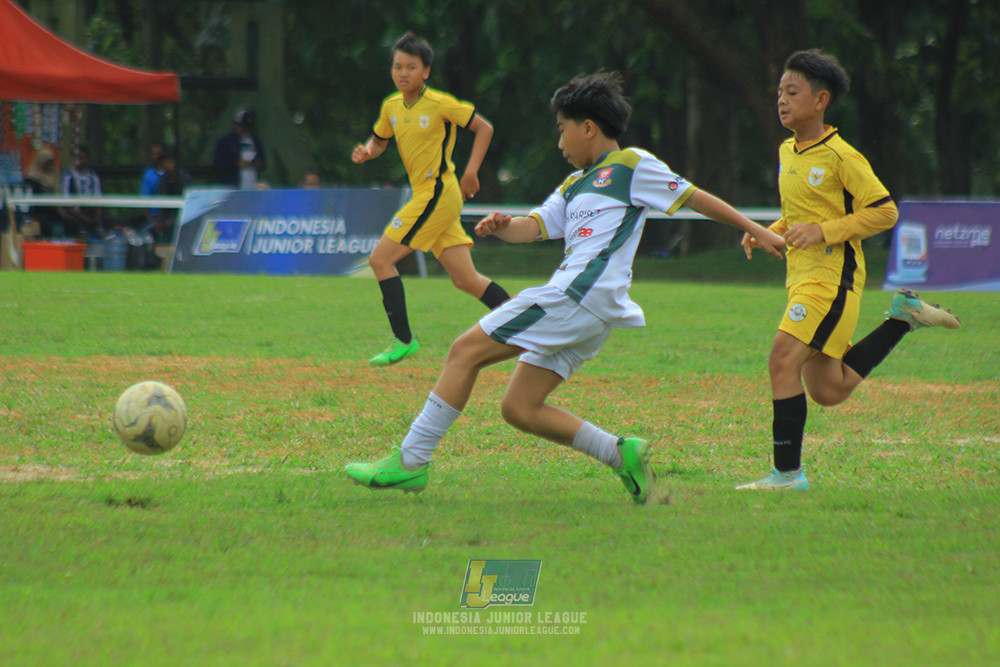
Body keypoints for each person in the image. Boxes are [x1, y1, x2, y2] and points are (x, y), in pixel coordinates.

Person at [345, 71, 786, 503]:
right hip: (589, 311)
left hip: (577, 296)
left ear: (589, 128)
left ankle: (410, 460)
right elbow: (533, 227)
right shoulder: (574, 185)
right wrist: (503, 227)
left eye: (562, 130)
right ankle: (619, 452)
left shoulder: (631, 165)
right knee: (519, 407)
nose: (559, 144)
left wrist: (757, 229)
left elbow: (692, 196)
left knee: (464, 351)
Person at [736, 50, 960, 491]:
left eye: (791, 92)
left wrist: (823, 232)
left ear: (821, 101)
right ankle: (901, 319)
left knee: (782, 359)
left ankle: (788, 475)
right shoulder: (787, 150)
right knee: (829, 390)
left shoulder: (842, 156)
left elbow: (884, 212)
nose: (781, 100)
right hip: (801, 277)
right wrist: (769, 231)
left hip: (832, 278)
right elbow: (800, 211)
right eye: (779, 92)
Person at [351, 32, 510, 366]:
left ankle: (404, 340)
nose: (402, 72)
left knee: (380, 260)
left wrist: (471, 172)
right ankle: (525, 326)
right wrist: (368, 151)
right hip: (431, 196)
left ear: (426, 72)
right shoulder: (391, 106)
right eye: (397, 66)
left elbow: (484, 128)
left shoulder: (440, 103)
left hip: (438, 192)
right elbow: (380, 140)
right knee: (466, 279)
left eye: (411, 66)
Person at [213, 108, 266, 189]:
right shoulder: (226, 142)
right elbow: (218, 164)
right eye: (243, 127)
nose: (245, 130)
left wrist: (258, 163)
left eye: (247, 127)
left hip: (253, 184)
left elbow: (263, 161)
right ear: (236, 125)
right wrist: (236, 164)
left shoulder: (255, 141)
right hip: (232, 186)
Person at [152, 149, 193, 244]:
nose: (168, 166)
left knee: (173, 228)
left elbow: (188, 204)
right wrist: (159, 221)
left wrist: (171, 220)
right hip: (165, 218)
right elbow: (161, 204)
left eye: (170, 162)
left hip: (182, 217)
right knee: (150, 229)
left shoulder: (186, 180)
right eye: (165, 163)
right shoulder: (162, 182)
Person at [61, 146, 104, 237]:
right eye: (77, 158)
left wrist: (96, 218)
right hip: (75, 214)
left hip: (90, 212)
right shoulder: (68, 177)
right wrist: (85, 218)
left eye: (82, 158)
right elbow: (67, 205)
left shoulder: (94, 177)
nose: (79, 161)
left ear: (87, 159)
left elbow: (98, 200)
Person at [23, 148, 66, 237]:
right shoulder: (32, 179)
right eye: (47, 162)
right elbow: (30, 200)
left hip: (53, 210)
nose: (49, 165)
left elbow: (58, 195)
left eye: (51, 162)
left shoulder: (54, 175)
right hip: (37, 212)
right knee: (45, 225)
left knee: (68, 223)